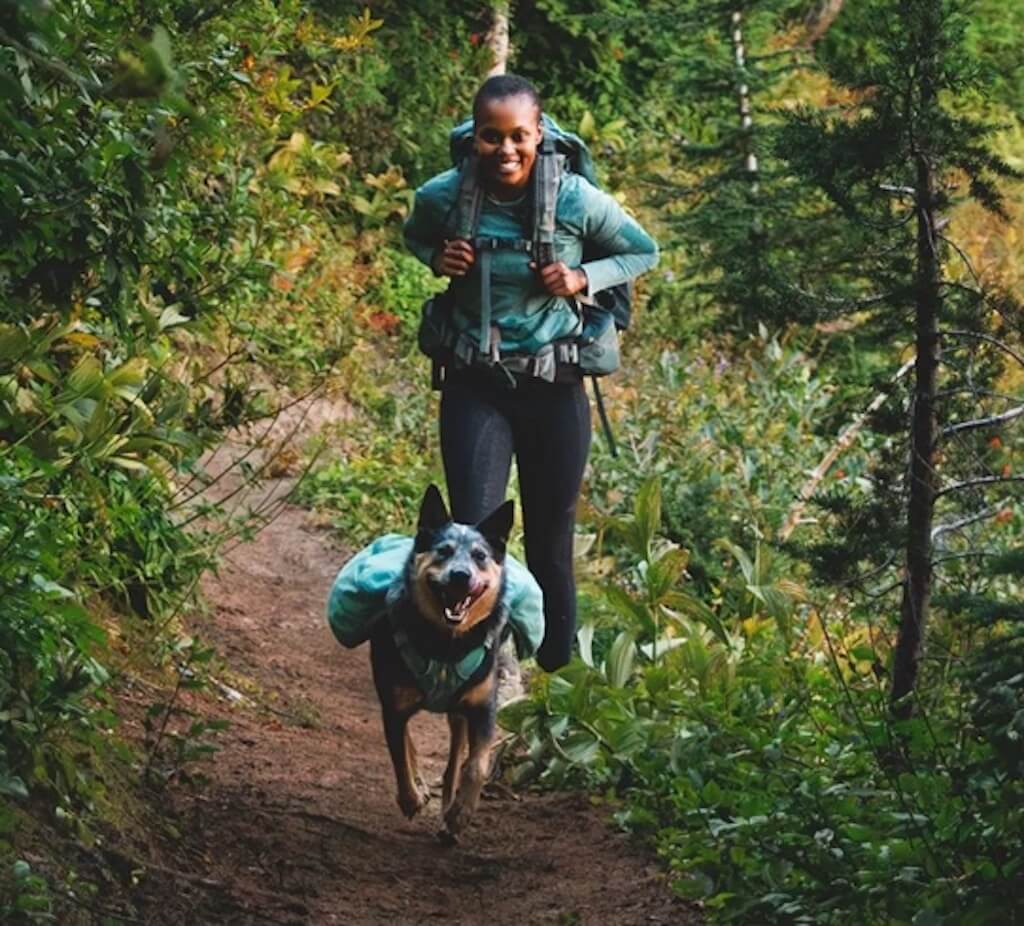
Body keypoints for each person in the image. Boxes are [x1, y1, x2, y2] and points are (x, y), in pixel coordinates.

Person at [403, 73, 658, 671]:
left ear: (539, 134)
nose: (507, 150)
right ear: (475, 139)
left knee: (550, 540)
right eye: (492, 137)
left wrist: (582, 278)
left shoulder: (572, 199)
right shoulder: (443, 196)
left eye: (520, 136)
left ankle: (556, 678)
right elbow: (415, 236)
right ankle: (477, 677)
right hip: (475, 386)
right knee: (471, 538)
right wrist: (437, 257)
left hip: (556, 388)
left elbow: (644, 250)